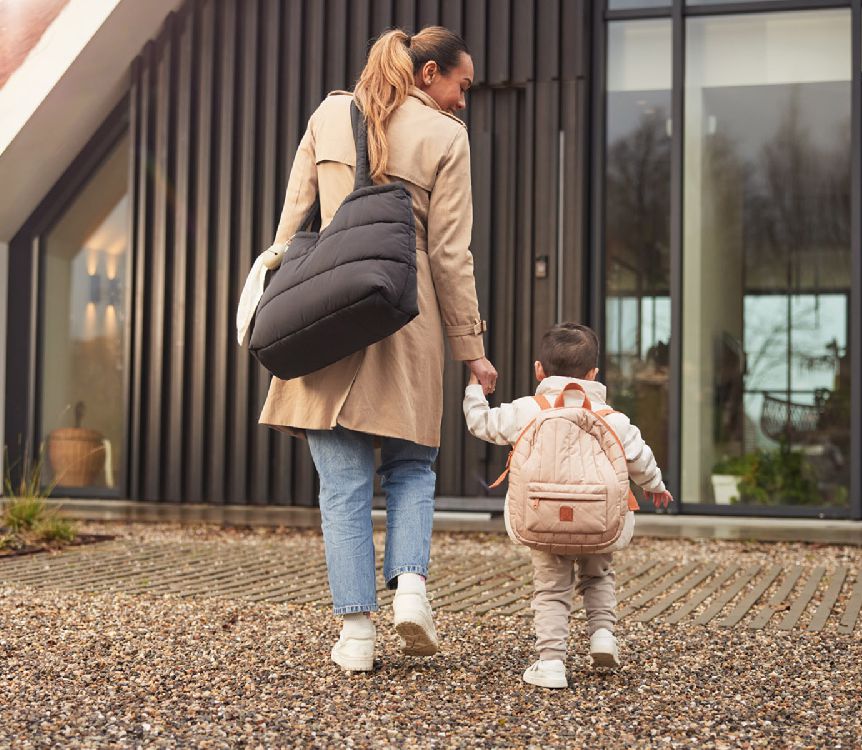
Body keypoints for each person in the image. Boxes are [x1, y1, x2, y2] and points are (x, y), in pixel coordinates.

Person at [257, 27, 497, 672]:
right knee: (413, 468)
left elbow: (292, 222)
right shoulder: (447, 137)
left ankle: (356, 636)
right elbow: (450, 256)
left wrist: (274, 295)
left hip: (327, 307)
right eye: (461, 84)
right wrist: (471, 348)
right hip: (404, 313)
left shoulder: (331, 113)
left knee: (341, 487)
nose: (463, 100)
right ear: (427, 74)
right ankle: (411, 589)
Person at [463, 323, 671, 689]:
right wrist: (655, 486)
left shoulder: (529, 410)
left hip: (544, 518)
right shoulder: (611, 418)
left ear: (539, 371)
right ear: (594, 374)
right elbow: (640, 457)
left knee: (551, 589)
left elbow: (481, 423)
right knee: (599, 575)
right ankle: (603, 635)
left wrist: (474, 386)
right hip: (600, 519)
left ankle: (552, 664)